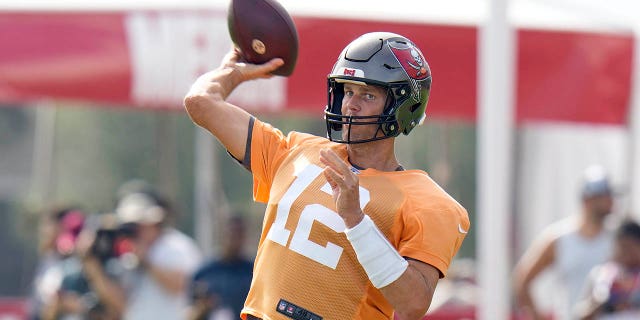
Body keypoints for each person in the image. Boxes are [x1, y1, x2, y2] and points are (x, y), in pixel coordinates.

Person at [183, 32, 470, 320]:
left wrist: (356, 221)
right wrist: (232, 73)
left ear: (403, 107)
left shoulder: (427, 202)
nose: (351, 105)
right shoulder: (296, 152)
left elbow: (413, 304)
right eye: (348, 91)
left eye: (368, 95)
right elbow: (200, 102)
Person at [78, 184, 202, 320]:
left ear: (153, 222)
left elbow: (180, 286)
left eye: (136, 225)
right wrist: (92, 266)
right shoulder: (129, 254)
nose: (132, 231)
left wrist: (146, 262)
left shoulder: (174, 245)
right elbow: (122, 304)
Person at [513, 165, 616, 320]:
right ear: (588, 200)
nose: (611, 201)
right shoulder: (559, 238)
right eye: (605, 196)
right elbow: (522, 280)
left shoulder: (619, 240)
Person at [188, 215, 254, 320]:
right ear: (221, 234)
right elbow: (190, 313)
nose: (235, 239)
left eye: (239, 234)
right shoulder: (205, 272)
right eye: (232, 233)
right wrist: (203, 307)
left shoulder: (254, 273)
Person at [574, 220, 640, 319]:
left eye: (631, 247)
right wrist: (600, 301)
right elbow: (579, 315)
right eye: (623, 247)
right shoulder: (600, 275)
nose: (626, 253)